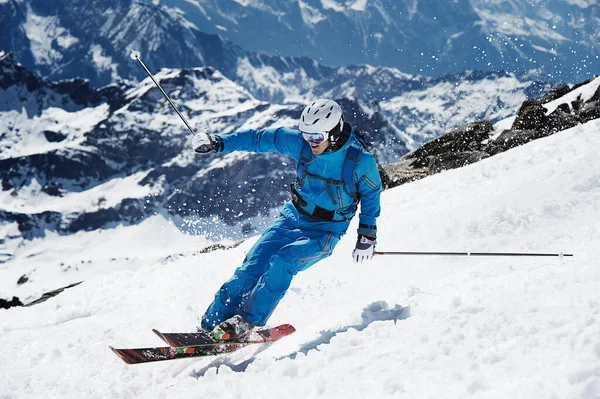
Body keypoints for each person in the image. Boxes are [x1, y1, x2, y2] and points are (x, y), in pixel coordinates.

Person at [192, 99, 382, 341]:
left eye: (317, 137)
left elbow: (370, 194)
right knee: (253, 266)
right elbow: (260, 138)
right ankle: (211, 324)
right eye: (306, 134)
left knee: (283, 261)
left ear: (334, 133)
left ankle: (246, 323)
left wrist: (367, 235)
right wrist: (219, 143)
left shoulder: (360, 161)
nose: (310, 141)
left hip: (325, 231)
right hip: (292, 217)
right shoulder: (302, 144)